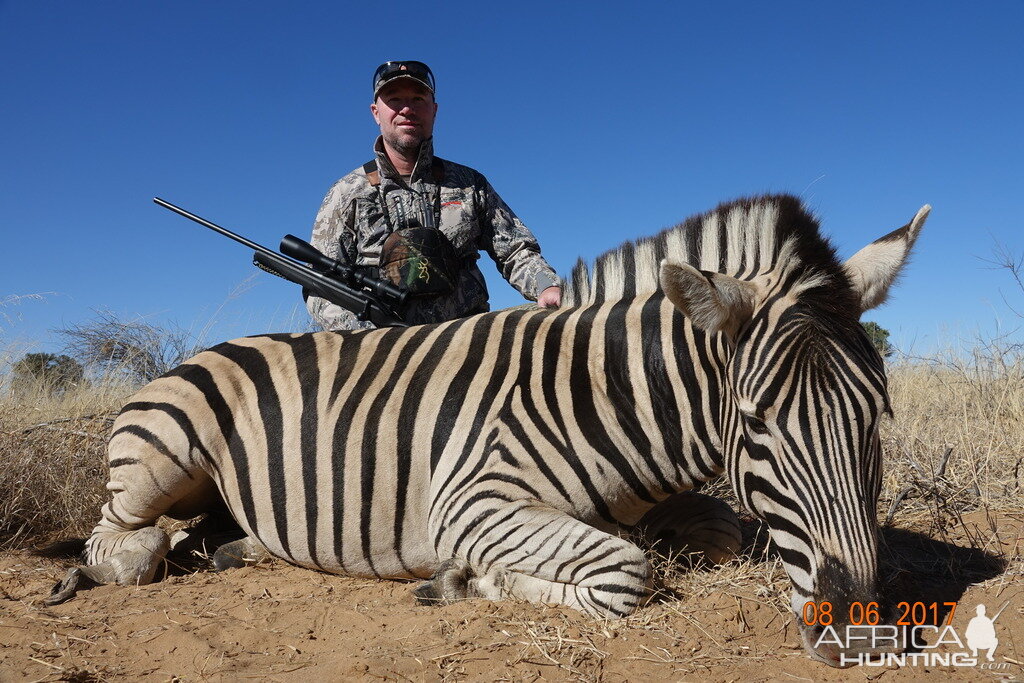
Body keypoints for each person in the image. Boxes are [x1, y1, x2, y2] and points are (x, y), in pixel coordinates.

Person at [307, 60, 561, 330]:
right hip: (381, 353)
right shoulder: (346, 192)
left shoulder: (470, 183)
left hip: (467, 343)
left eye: (418, 99)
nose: (407, 109)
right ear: (375, 113)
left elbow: (515, 251)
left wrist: (546, 287)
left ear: (434, 110)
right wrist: (366, 337)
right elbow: (320, 286)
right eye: (394, 100)